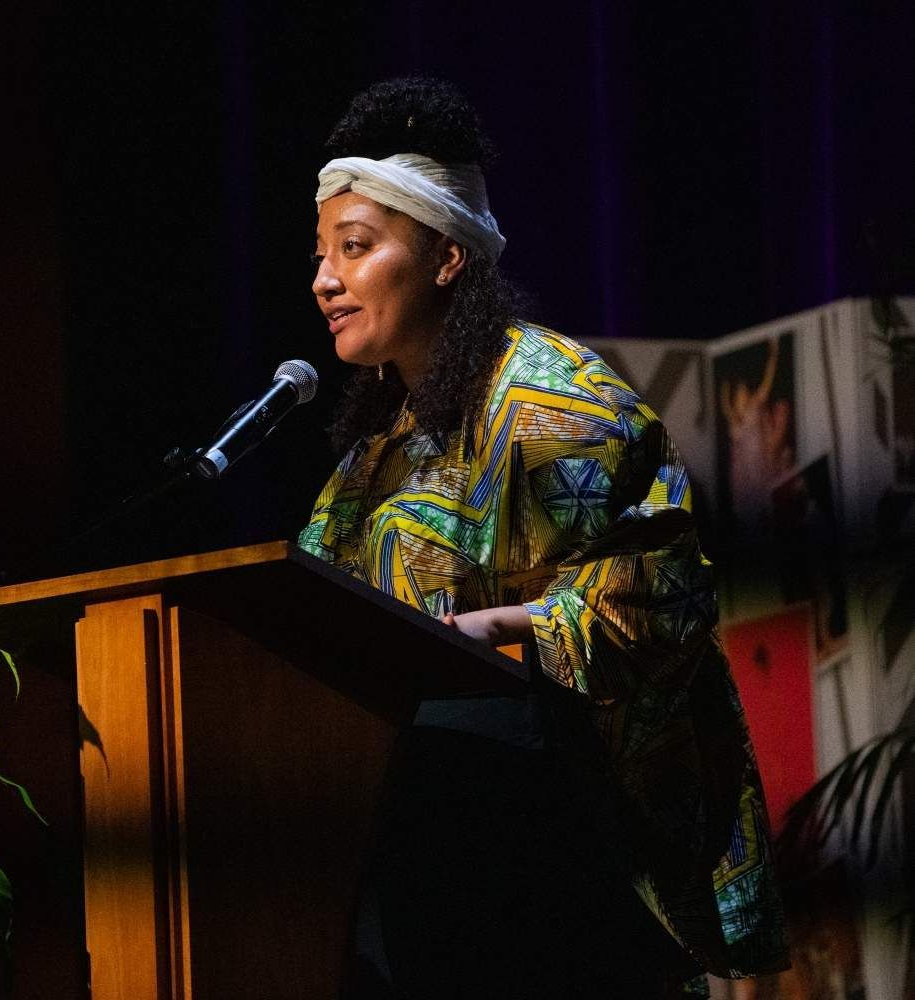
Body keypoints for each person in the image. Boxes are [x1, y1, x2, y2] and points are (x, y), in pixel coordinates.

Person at [297, 77, 789, 998]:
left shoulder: (554, 401)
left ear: (447, 257)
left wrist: (505, 630)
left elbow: (665, 594)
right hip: (428, 831)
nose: (324, 279)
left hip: (559, 844)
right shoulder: (379, 447)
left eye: (355, 249)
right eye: (321, 253)